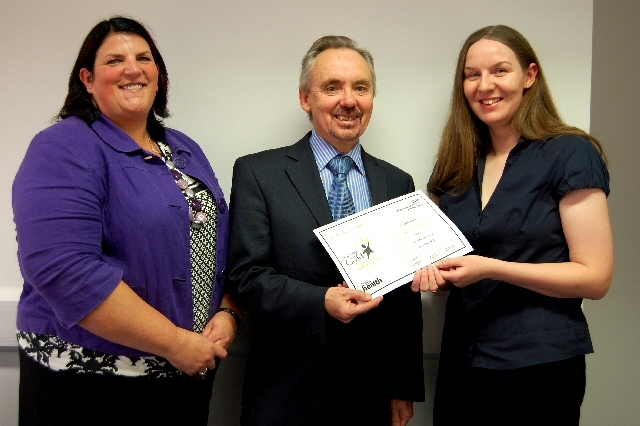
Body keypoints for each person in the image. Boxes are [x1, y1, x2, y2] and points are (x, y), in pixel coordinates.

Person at [12, 16, 242, 425]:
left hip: (184, 379)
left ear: (159, 75)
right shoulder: (63, 146)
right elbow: (65, 270)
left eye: (144, 58)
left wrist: (227, 313)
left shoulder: (184, 149)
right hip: (91, 388)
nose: (133, 68)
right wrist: (175, 343)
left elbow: (219, 248)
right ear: (87, 78)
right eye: (115, 60)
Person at [411, 25, 614, 425]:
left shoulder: (570, 153)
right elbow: (443, 256)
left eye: (499, 71)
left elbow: (596, 277)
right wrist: (432, 272)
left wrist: (490, 268)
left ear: (530, 76)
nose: (484, 85)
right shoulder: (456, 163)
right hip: (462, 363)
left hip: (539, 367)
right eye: (472, 75)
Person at [227, 35, 425, 426]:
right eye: (332, 87)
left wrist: (403, 384)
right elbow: (245, 278)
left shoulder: (397, 182)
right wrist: (321, 302)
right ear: (306, 98)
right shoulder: (258, 174)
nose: (348, 100)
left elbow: (404, 299)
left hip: (370, 394)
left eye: (360, 88)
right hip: (286, 392)